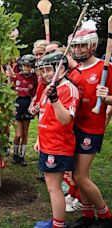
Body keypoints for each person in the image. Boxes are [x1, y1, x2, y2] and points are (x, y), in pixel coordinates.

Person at [68, 29, 112, 228]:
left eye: (82, 45)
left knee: (79, 175)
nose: (78, 49)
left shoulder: (105, 68)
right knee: (78, 174)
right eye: (75, 45)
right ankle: (87, 215)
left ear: (92, 46)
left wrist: (107, 98)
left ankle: (105, 216)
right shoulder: (74, 71)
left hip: (91, 129)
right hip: (73, 127)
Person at [33, 52, 79, 228]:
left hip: (58, 145)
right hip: (47, 142)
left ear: (62, 69)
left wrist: (54, 99)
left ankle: (58, 225)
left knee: (54, 187)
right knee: (50, 185)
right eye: (42, 71)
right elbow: (44, 115)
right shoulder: (49, 87)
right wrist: (39, 138)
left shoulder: (68, 88)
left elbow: (66, 119)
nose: (45, 74)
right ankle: (56, 221)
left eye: (48, 70)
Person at [11, 54, 37, 166]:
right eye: (24, 66)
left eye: (29, 66)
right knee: (18, 134)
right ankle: (15, 155)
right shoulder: (16, 76)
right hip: (17, 104)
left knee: (25, 133)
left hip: (27, 104)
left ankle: (22, 157)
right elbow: (9, 91)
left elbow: (35, 94)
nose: (26, 68)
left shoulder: (34, 78)